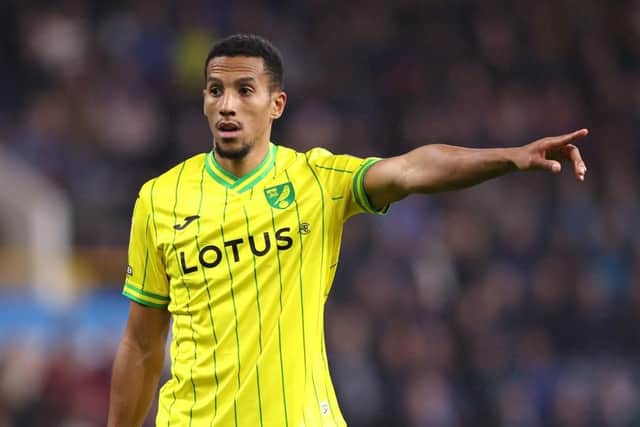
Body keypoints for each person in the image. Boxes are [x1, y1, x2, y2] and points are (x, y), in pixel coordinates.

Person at [107, 33, 588, 427]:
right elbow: (143, 343)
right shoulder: (160, 199)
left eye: (245, 90)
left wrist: (509, 157)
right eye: (216, 91)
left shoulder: (315, 180)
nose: (227, 105)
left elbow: (411, 171)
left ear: (276, 105)